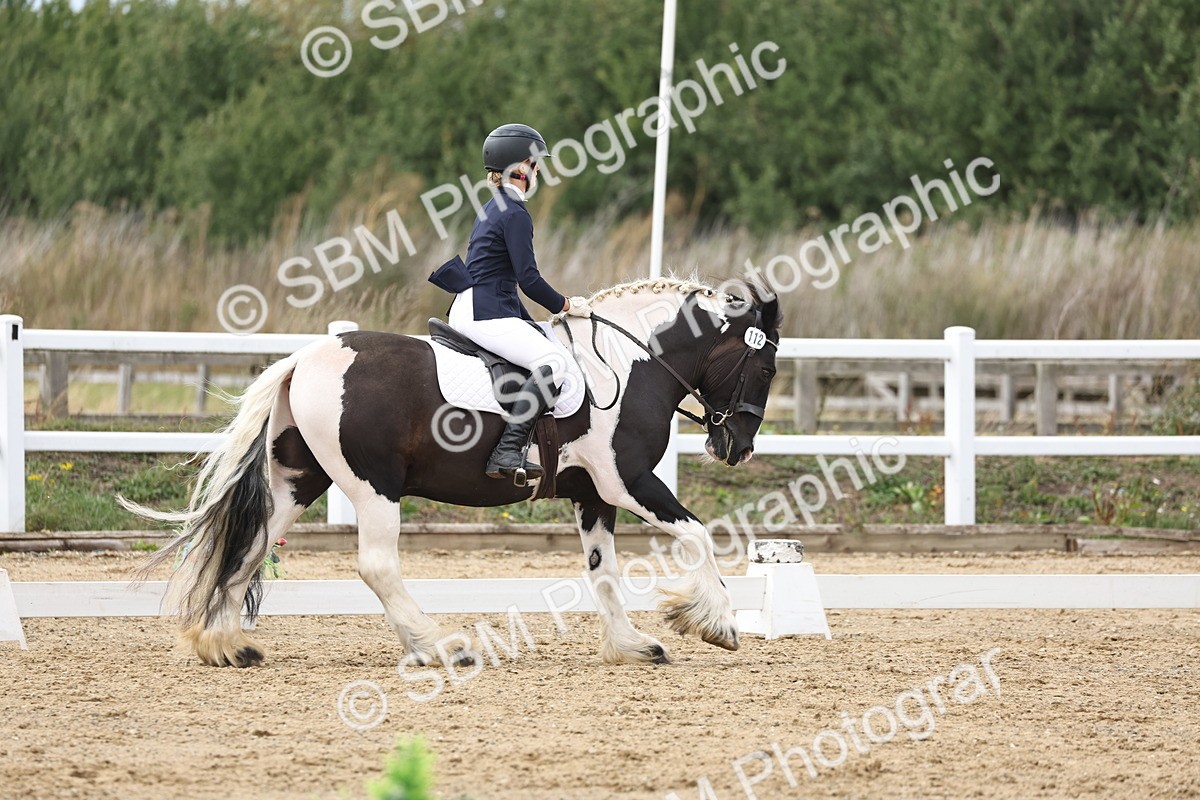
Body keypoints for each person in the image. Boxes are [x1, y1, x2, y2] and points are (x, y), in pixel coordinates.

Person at [429, 123, 590, 481]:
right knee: (554, 363)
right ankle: (508, 449)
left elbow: (503, 279)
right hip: (486, 313)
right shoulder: (515, 213)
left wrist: (533, 322)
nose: (538, 172)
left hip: (474, 306)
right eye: (535, 165)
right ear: (521, 168)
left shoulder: (493, 206)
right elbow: (528, 279)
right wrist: (566, 305)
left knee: (543, 343)